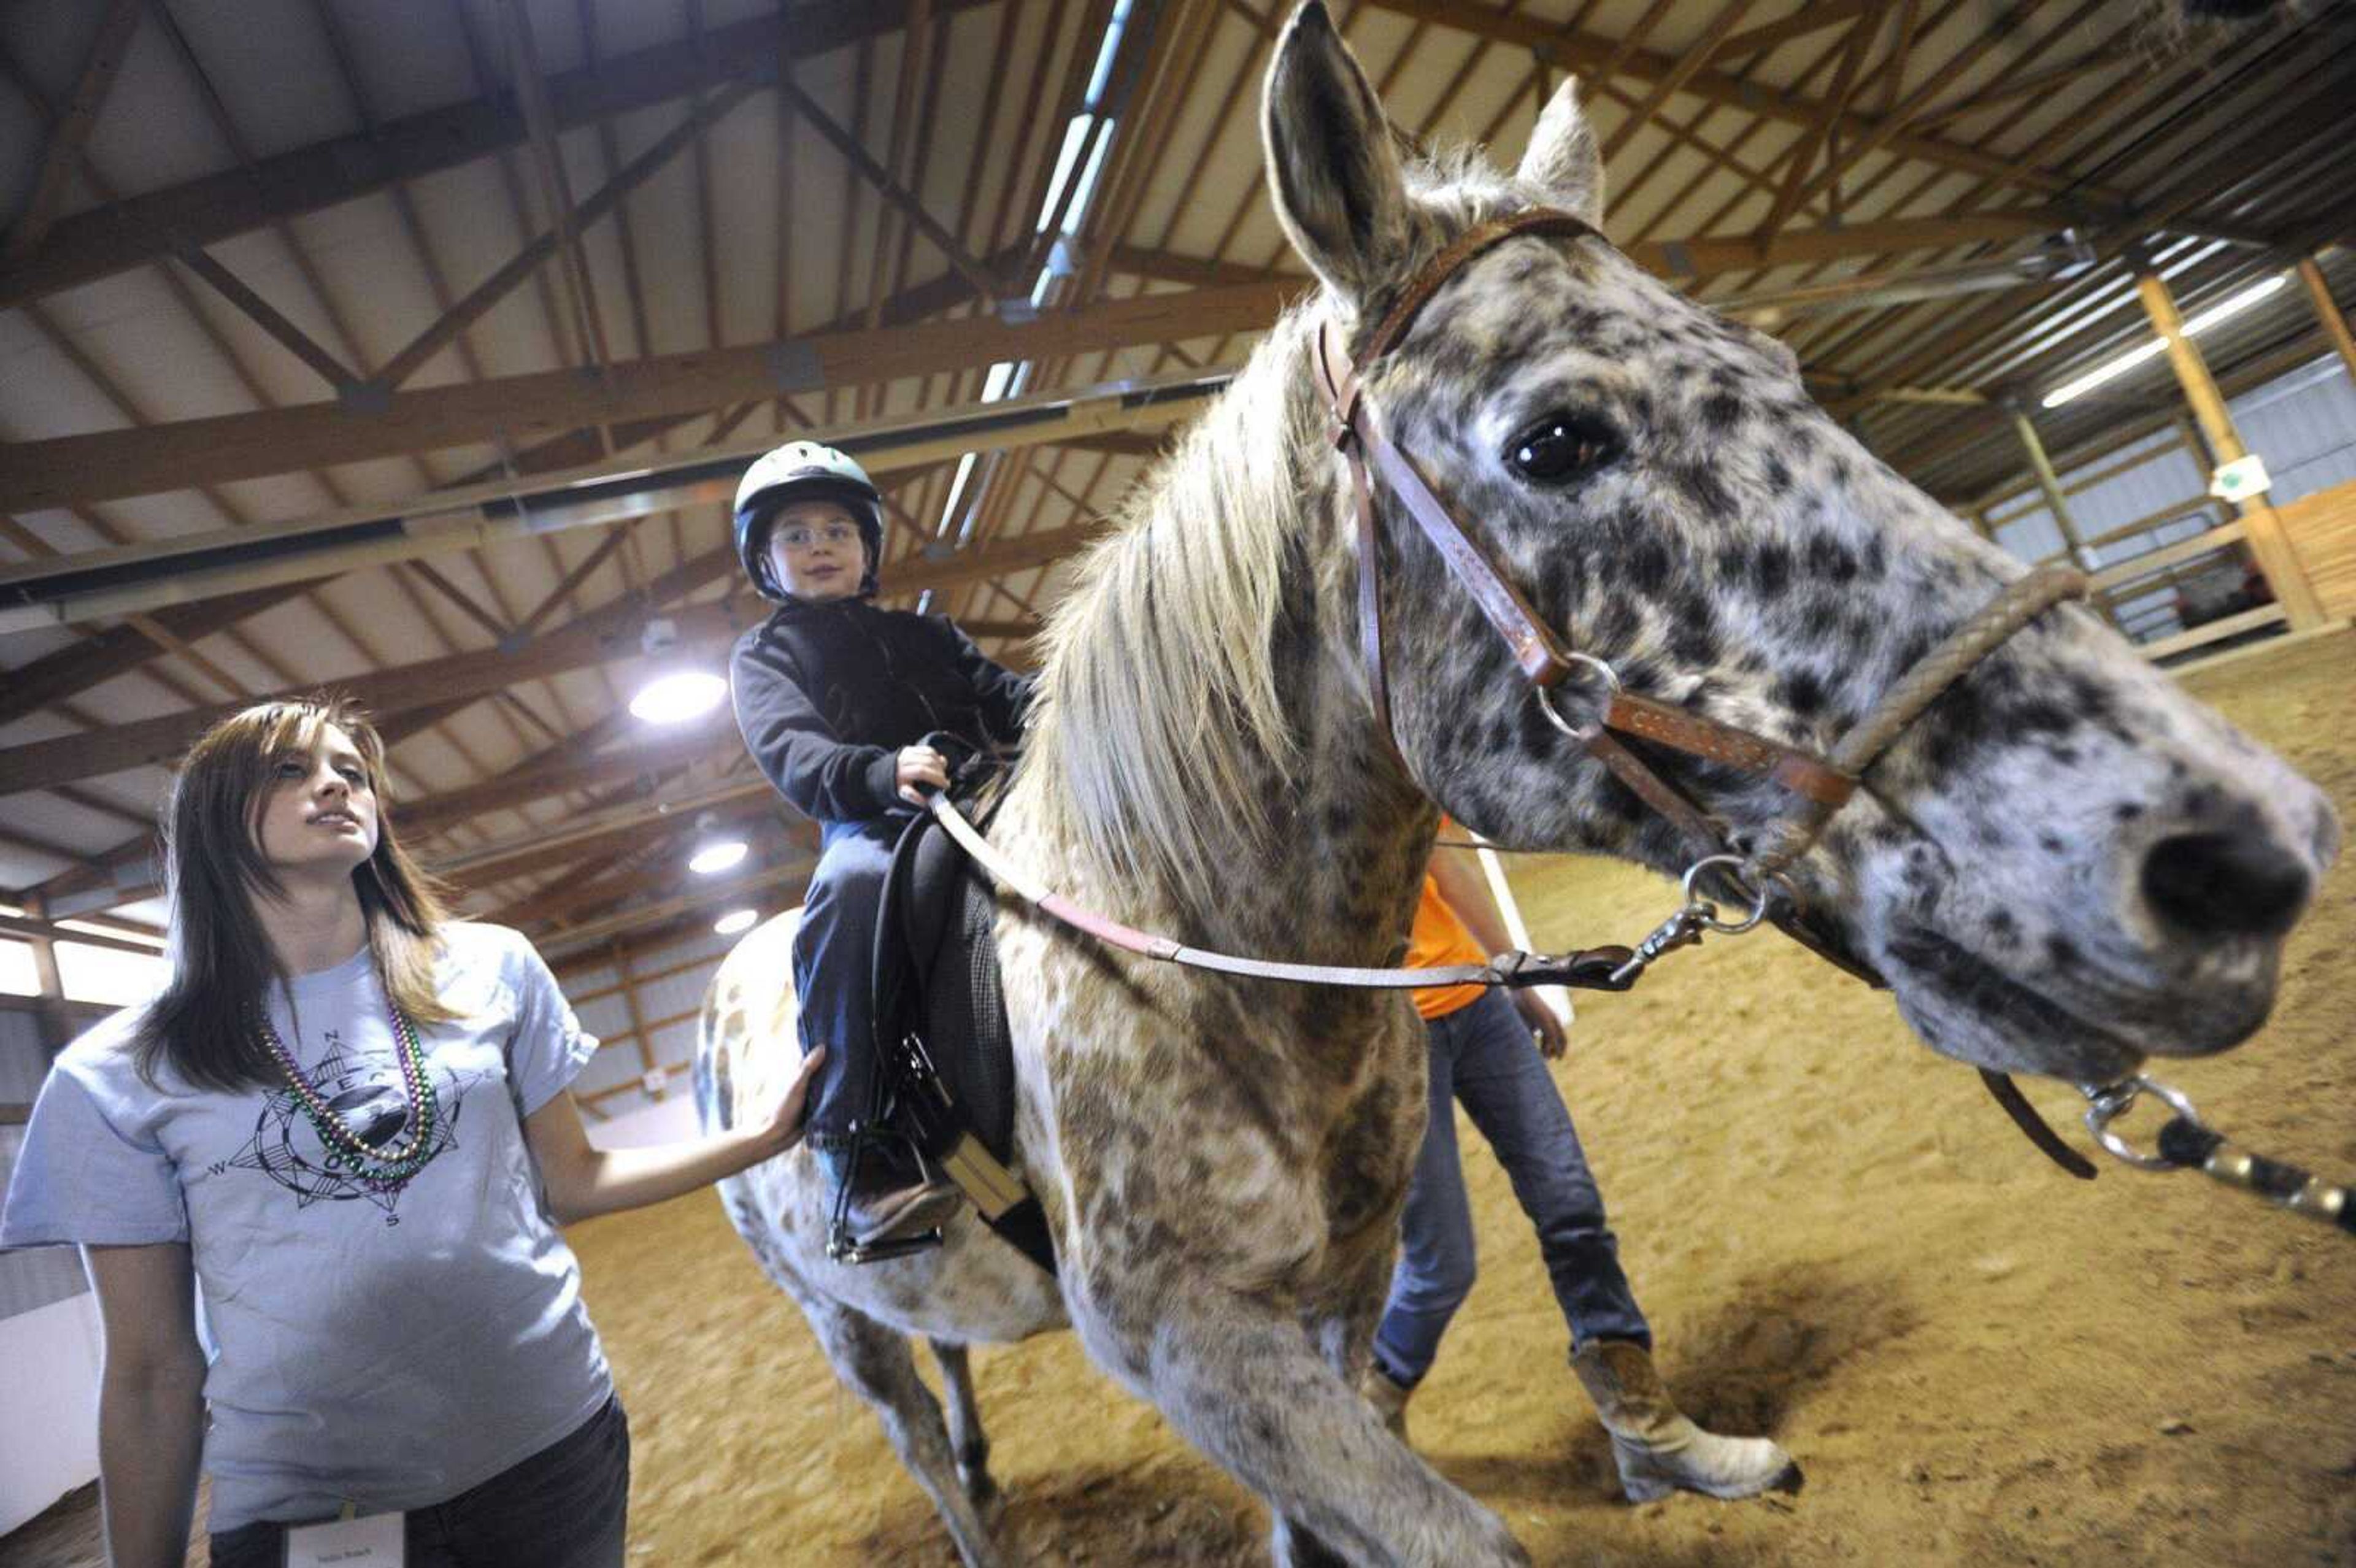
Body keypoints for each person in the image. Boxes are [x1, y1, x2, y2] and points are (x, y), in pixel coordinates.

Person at [0, 698, 822, 1567]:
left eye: (351, 772)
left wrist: (758, 1139)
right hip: (312, 1508)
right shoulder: (118, 1073)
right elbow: (151, 1372)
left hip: (552, 1452)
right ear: (212, 819)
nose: (334, 785)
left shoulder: (492, 967)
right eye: (290, 769)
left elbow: (576, 1180)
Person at [1359, 832, 1800, 1503]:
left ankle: (1644, 1431)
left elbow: (1444, 865)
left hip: (1474, 1003)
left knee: (1571, 1207)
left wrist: (1519, 973)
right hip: (1387, 1033)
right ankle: (1371, 1405)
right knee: (1441, 1266)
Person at [726, 440, 1033, 1251]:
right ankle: (855, 1150)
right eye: (795, 536)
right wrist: (878, 771)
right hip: (879, 826)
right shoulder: (766, 657)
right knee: (849, 891)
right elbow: (795, 753)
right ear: (765, 560)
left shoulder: (932, 635)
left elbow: (1011, 700)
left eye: (837, 530)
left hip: (994, 799)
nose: (819, 546)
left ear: (867, 550)